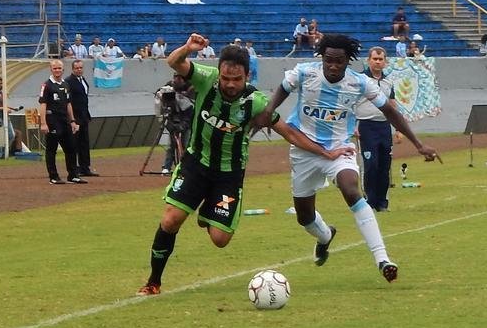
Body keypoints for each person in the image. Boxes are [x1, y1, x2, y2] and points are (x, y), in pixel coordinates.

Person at [137, 34, 355, 296]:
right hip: (195, 165)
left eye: (236, 79)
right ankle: (153, 281)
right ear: (218, 73)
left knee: (220, 240)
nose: (230, 84)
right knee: (171, 220)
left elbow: (289, 132)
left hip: (228, 175)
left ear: (247, 76)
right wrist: (187, 48)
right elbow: (173, 62)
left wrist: (325, 152)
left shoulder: (257, 102)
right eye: (225, 78)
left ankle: (207, 213)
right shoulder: (205, 78)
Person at [257, 34, 441, 283]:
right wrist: (268, 110)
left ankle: (382, 259)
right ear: (321, 58)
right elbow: (282, 89)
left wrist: (418, 144)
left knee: (351, 189)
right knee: (304, 217)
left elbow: (389, 111)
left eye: (339, 61)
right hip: (304, 150)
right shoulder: (304, 73)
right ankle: (325, 236)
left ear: (348, 61)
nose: (333, 66)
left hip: (340, 149)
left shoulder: (360, 83)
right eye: (328, 61)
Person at [356, 47, 397, 212]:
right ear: (368, 60)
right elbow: (350, 103)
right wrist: (352, 126)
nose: (378, 62)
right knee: (370, 164)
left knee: (384, 165)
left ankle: (382, 202)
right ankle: (369, 201)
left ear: (385, 62)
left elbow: (393, 106)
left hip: (384, 127)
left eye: (381, 59)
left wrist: (398, 129)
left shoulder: (389, 82)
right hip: (366, 126)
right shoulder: (360, 80)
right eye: (375, 59)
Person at [38, 59, 83, 184]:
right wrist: (43, 123)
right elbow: (43, 104)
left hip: (64, 120)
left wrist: (72, 120)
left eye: (59, 68)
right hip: (52, 120)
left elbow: (68, 104)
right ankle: (53, 176)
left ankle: (73, 175)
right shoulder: (46, 85)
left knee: (71, 148)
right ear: (51, 69)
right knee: (51, 149)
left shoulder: (65, 85)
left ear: (63, 70)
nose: (57, 70)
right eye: (55, 68)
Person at [156, 72, 194, 174]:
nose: (177, 80)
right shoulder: (170, 85)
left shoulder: (190, 86)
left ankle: (185, 166)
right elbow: (159, 93)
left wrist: (184, 124)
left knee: (185, 144)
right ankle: (167, 166)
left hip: (187, 117)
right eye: (176, 77)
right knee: (171, 145)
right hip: (172, 116)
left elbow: (190, 108)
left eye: (180, 78)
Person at [67, 59, 97, 176]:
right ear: (73, 69)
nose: (79, 70)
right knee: (74, 144)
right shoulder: (69, 81)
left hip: (84, 116)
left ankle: (85, 167)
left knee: (84, 143)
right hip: (75, 117)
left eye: (81, 68)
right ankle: (74, 168)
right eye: (77, 68)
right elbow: (68, 101)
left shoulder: (83, 80)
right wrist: (72, 119)